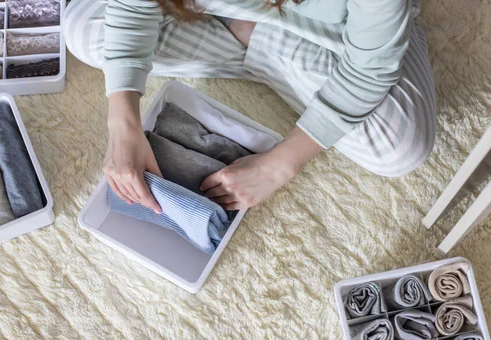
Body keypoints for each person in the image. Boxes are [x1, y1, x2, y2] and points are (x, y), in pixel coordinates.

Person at [63, 0, 436, 212]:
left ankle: (256, 37)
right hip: (220, 7)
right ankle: (257, 39)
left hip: (337, 27)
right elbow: (132, 6)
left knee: (400, 148)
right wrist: (122, 122)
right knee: (83, 30)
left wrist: (281, 163)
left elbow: (369, 69)